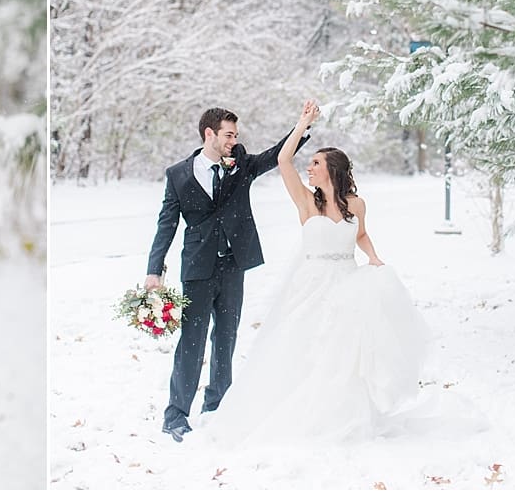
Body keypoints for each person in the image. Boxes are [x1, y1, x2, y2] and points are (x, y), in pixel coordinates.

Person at [210, 98, 431, 443]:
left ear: (332, 170)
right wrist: (302, 124)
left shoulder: (356, 204)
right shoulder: (305, 200)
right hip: (310, 284)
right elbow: (284, 159)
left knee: (343, 353)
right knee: (301, 345)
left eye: (315, 163)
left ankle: (342, 414)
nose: (309, 168)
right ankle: (294, 411)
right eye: (310, 163)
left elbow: (360, 233)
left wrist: (373, 257)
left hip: (347, 284)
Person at [145, 107, 309, 442]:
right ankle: (175, 414)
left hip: (234, 265)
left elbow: (276, 155)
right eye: (229, 135)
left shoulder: (243, 165)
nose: (235, 141)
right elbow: (167, 224)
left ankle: (218, 404)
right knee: (191, 341)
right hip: (197, 269)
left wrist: (302, 125)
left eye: (236, 135)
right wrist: (154, 270)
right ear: (209, 134)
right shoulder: (178, 174)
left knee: (226, 337)